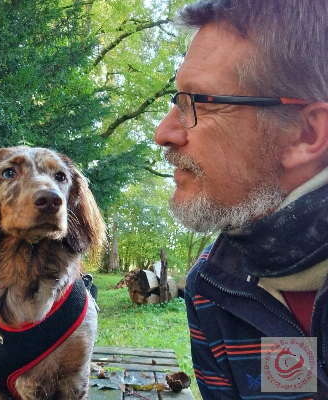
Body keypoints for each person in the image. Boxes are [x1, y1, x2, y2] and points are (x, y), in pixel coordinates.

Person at [154, 1, 328, 399]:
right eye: (178, 100)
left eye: (199, 102)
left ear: (305, 135)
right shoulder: (212, 287)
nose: (163, 132)